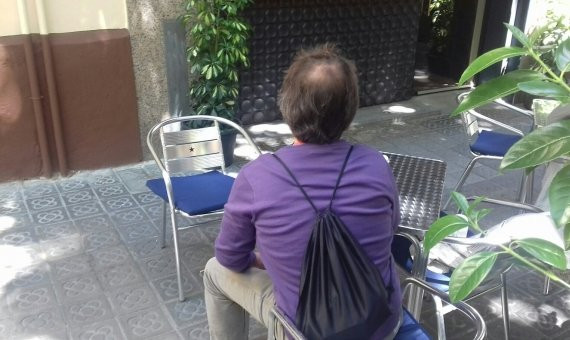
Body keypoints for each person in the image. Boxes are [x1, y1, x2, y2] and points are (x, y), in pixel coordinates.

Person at [203, 44, 402, 340]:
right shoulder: (376, 164)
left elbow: (230, 257)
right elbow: (392, 229)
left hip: (304, 332)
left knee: (213, 270)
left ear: (287, 105)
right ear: (350, 110)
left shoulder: (257, 177)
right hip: (380, 324)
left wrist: (265, 261)